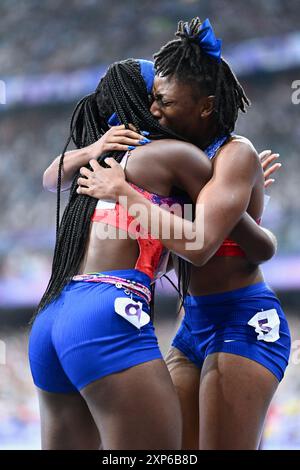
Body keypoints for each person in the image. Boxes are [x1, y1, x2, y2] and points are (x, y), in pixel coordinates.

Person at [74, 18, 291, 450]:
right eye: (153, 100)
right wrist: (235, 214)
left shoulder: (236, 154)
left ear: (206, 107)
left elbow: (198, 246)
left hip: (242, 320)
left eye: (165, 103)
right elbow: (244, 246)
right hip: (191, 324)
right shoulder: (188, 164)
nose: (153, 111)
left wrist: (124, 192)